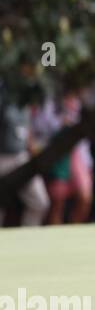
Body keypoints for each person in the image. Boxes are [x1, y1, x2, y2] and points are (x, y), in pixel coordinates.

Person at [0, 80, 50, 226]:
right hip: (2, 158)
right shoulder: (4, 98)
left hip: (21, 158)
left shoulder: (25, 104)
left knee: (40, 202)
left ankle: (28, 239)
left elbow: (25, 131)